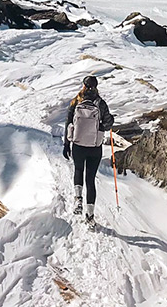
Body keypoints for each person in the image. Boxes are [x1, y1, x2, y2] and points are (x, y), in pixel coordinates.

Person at [62, 74, 114, 223]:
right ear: (96, 86)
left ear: (83, 86)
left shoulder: (76, 101)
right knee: (90, 180)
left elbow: (68, 123)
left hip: (78, 145)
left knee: (78, 170)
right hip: (94, 147)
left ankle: (78, 199)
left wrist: (66, 144)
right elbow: (108, 123)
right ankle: (90, 216)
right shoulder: (100, 103)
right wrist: (107, 123)